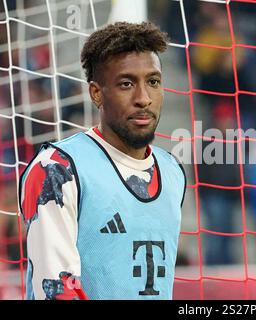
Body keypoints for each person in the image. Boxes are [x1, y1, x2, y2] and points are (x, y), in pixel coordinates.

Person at [18, 22, 186, 300]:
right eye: (126, 84)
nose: (143, 98)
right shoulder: (57, 168)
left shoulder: (172, 171)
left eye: (153, 82)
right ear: (96, 93)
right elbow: (55, 291)